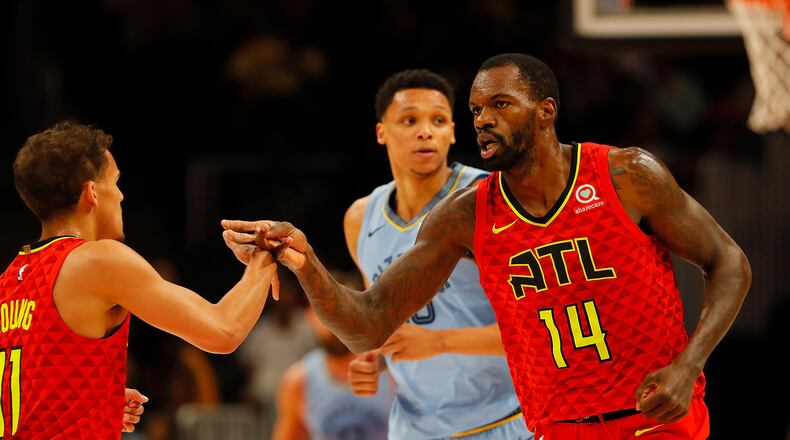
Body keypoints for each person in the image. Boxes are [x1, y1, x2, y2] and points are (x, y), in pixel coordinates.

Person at [223, 53, 751, 439]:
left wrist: (690, 364)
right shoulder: (467, 215)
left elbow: (728, 262)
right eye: (476, 109)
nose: (483, 119)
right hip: (557, 428)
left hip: (652, 416)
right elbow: (369, 324)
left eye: (500, 104)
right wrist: (306, 262)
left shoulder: (625, 174)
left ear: (545, 111)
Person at [0, 121, 277, 438]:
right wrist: (264, 258)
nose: (120, 194)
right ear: (92, 192)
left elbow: (24, 389)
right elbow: (223, 330)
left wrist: (94, 401)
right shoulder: (99, 260)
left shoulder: (11, 277)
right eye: (115, 182)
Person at [343, 69, 530, 439]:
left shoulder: (491, 199)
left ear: (453, 132)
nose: (425, 131)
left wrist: (439, 342)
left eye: (438, 120)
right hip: (414, 428)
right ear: (382, 132)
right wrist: (372, 361)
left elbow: (538, 324)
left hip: (507, 418)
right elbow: (382, 322)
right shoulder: (360, 218)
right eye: (409, 120)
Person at [272, 299, 394, 440]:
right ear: (310, 316)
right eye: (326, 314)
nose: (334, 323)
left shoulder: (392, 370)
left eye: (342, 313)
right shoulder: (298, 380)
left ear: (360, 314)